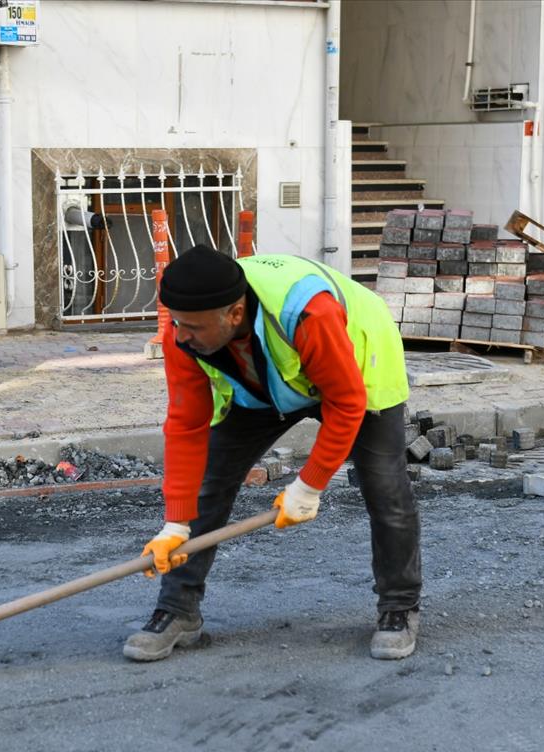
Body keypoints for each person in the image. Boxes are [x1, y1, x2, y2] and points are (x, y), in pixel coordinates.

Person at [124, 245, 422, 663]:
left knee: (385, 489)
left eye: (190, 325)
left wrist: (309, 484)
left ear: (233, 313)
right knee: (209, 486)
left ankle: (399, 606)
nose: (179, 334)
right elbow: (186, 424)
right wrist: (175, 521)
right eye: (175, 322)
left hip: (356, 364)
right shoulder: (185, 330)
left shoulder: (309, 314)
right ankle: (178, 610)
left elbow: (346, 402)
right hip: (265, 383)